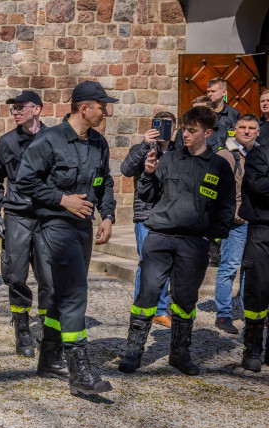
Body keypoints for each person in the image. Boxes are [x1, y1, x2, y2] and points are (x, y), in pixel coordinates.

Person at [119, 105, 235, 376]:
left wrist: (209, 238)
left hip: (193, 243)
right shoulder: (169, 158)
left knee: (184, 300)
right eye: (184, 129)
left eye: (192, 131)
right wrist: (148, 173)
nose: (185, 134)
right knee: (147, 294)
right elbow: (148, 195)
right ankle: (133, 352)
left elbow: (226, 207)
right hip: (159, 238)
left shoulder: (219, 166)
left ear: (207, 133)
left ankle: (180, 353)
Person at [17, 80, 117, 395]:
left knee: (62, 294)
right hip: (55, 225)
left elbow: (105, 181)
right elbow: (24, 182)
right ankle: (79, 370)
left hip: (83, 227)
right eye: (102, 106)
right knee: (75, 291)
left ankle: (49, 359)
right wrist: (62, 199)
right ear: (84, 107)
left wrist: (108, 215)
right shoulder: (49, 140)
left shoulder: (99, 143)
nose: (105, 112)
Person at [0, 90, 54, 358]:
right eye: (13, 108)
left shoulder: (54, 138)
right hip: (16, 215)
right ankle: (22, 328)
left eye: (21, 107)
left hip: (47, 216)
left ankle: (48, 329)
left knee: (49, 278)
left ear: (37, 109)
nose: (15, 111)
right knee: (15, 276)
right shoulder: (6, 142)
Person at [120, 111, 176, 330]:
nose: (163, 130)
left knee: (166, 263)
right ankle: (141, 308)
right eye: (159, 125)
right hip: (146, 215)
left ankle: (159, 310)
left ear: (174, 129)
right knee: (146, 262)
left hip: (170, 216)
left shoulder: (179, 152)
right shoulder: (141, 148)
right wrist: (145, 144)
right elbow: (126, 170)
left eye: (167, 126)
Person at [214, 114, 261, 333]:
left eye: (251, 128)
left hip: (257, 221)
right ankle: (223, 314)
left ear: (258, 132)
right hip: (236, 222)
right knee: (229, 267)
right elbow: (217, 190)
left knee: (250, 269)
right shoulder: (225, 155)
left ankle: (246, 311)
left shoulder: (261, 154)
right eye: (243, 127)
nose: (247, 131)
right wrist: (232, 214)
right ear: (235, 130)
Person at [238, 139, 269, 371]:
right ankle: (253, 346)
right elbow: (259, 186)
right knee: (257, 289)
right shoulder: (260, 155)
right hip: (262, 230)